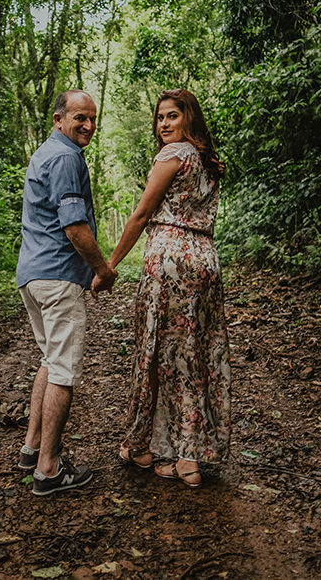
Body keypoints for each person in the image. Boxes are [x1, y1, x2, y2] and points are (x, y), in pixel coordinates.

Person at [94, 88, 231, 489]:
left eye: (173, 115)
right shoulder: (207, 160)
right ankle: (179, 450)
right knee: (197, 353)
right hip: (205, 258)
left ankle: (175, 452)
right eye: (160, 118)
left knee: (163, 354)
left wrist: (110, 265)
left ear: (189, 118)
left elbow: (140, 215)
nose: (165, 124)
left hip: (171, 259)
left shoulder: (172, 156)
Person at [16, 89, 118, 496]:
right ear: (58, 119)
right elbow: (74, 226)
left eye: (93, 118)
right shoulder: (65, 158)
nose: (89, 125)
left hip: (33, 275)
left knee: (50, 359)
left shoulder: (46, 152)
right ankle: (49, 470)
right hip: (58, 278)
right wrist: (102, 269)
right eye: (80, 117)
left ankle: (32, 448)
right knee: (63, 370)